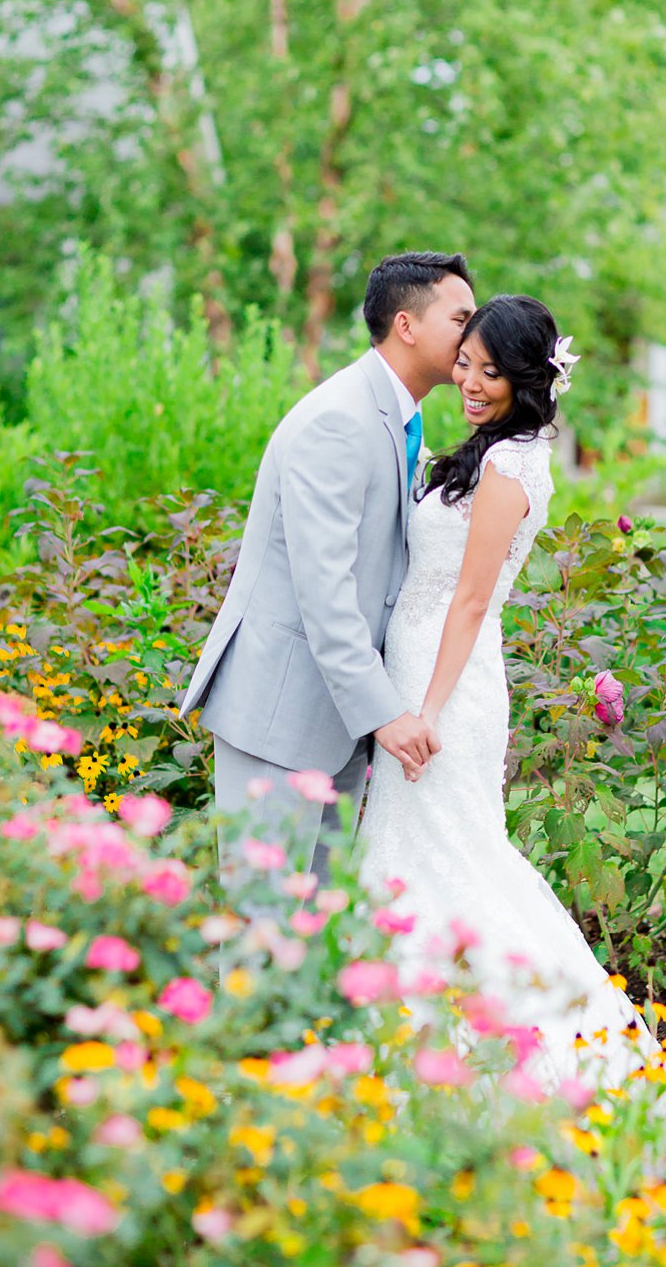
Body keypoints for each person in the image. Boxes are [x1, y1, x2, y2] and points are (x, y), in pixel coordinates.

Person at [353, 293, 666, 1098]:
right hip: (417, 668)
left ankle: (526, 1045)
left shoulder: (514, 465)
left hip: (447, 686)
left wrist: (426, 712)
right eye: (466, 365)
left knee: (456, 856)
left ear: (529, 377)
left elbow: (472, 600)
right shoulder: (483, 449)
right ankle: (407, 1040)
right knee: (415, 854)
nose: (471, 382)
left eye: (491, 372)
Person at [181, 252, 473, 883]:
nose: (472, 336)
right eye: (460, 318)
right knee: (267, 925)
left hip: (336, 718)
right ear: (407, 324)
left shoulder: (399, 417)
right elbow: (325, 592)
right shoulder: (340, 420)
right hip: (280, 714)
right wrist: (386, 712)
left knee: (313, 938)